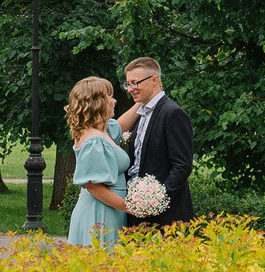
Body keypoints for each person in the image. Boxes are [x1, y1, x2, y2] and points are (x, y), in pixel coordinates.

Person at [118, 57, 193, 228]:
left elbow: (182, 166)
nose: (131, 89)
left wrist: (157, 200)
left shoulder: (173, 114)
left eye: (135, 83)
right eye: (128, 84)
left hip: (166, 217)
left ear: (154, 80)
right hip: (136, 213)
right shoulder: (141, 113)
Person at [63, 77, 128, 251]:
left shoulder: (103, 131)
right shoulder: (94, 140)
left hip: (109, 208)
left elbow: (121, 125)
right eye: (110, 97)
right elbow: (93, 187)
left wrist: (148, 98)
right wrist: (132, 208)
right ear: (98, 103)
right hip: (100, 210)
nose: (114, 101)